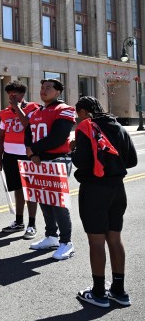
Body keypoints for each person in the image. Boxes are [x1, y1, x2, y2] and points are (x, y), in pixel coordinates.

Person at [71, 97, 137, 308]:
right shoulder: (118, 126)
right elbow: (132, 160)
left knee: (96, 241)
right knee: (115, 239)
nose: (76, 118)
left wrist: (73, 149)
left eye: (77, 114)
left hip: (94, 190)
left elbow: (82, 161)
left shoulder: (86, 126)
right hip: (118, 189)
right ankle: (119, 291)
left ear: (83, 112)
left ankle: (99, 293)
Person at [25, 79, 76, 260]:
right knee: (43, 198)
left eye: (48, 88)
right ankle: (51, 236)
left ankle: (66, 242)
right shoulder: (36, 111)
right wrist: (32, 155)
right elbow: (28, 135)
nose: (43, 90)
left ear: (58, 92)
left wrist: (35, 149)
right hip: (39, 161)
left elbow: (58, 137)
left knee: (58, 202)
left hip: (57, 160)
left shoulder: (65, 109)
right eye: (42, 87)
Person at [0, 80, 40, 239]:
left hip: (26, 155)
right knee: (17, 189)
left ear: (22, 95)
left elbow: (28, 125)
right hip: (10, 156)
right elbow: (1, 136)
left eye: (14, 95)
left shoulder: (33, 108)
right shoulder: (5, 113)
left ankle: (32, 224)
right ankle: (19, 221)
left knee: (30, 190)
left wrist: (17, 108)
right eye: (9, 95)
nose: (11, 98)